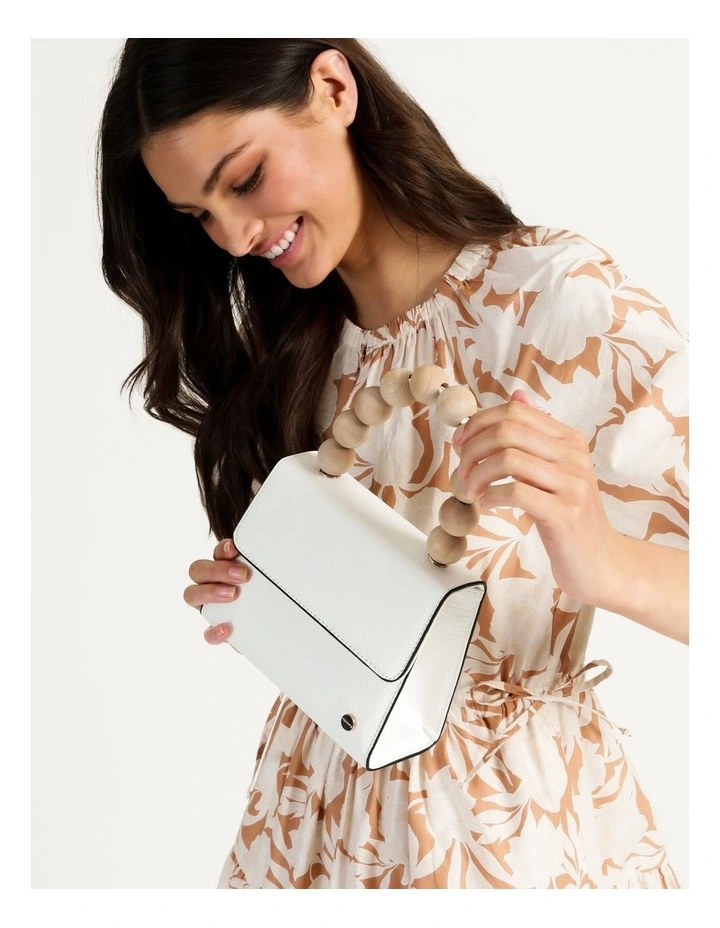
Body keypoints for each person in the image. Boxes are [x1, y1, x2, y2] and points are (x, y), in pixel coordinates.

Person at [96, 39, 688, 889]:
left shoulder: (554, 301)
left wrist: (603, 560)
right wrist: (273, 602)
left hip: (502, 836)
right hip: (307, 826)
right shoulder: (295, 347)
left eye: (246, 178)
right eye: (199, 216)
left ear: (332, 88)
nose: (234, 237)